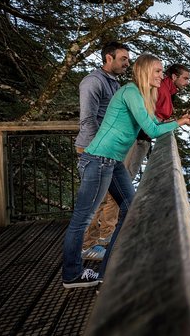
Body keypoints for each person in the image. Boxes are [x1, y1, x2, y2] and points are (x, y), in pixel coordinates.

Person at [62, 54, 190, 288]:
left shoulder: (142, 95)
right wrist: (181, 122)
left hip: (111, 162)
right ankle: (72, 275)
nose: (161, 75)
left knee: (130, 209)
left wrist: (179, 120)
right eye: (157, 71)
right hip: (98, 159)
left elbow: (153, 125)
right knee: (81, 220)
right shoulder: (131, 92)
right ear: (145, 71)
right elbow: (152, 129)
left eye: (162, 71)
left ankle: (109, 270)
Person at [75, 42, 130, 262]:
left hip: (109, 152)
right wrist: (102, 147)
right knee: (93, 203)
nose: (127, 62)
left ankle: (104, 238)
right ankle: (86, 247)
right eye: (123, 58)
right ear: (109, 58)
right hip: (94, 150)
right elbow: (88, 120)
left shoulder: (114, 84)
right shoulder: (93, 82)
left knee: (117, 200)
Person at [123, 63, 190, 178]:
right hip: (138, 139)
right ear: (174, 77)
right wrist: (181, 121)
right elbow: (148, 114)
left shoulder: (168, 91)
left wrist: (183, 120)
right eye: (185, 78)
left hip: (142, 137)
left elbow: (157, 117)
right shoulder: (161, 89)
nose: (187, 83)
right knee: (126, 174)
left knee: (127, 175)